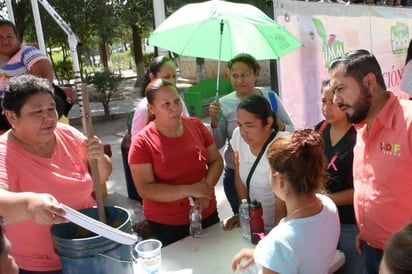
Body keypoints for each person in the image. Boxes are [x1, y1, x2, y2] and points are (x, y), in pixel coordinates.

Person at [0, 75, 112, 273]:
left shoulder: (67, 134)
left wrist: (100, 158)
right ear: (12, 117)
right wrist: (30, 205)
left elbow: (100, 177)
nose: (49, 118)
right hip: (41, 265)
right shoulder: (4, 152)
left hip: (88, 247)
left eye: (51, 108)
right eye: (37, 112)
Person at [329, 49, 412, 274]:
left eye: (340, 89)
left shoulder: (409, 122)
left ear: (369, 82)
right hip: (368, 246)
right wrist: (368, 230)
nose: (336, 100)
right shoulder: (361, 126)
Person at [128, 79, 223, 247]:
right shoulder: (142, 142)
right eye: (166, 104)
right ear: (152, 108)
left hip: (206, 212)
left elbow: (216, 161)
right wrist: (190, 190)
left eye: (177, 101)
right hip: (167, 224)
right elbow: (145, 189)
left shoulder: (196, 125)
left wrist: (205, 190)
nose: (174, 108)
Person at [232, 129, 340, 274]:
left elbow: (289, 251)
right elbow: (306, 255)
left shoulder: (280, 244)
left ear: (280, 180)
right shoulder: (328, 206)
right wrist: (264, 256)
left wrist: (272, 257)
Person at [209, 53, 294, 216]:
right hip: (237, 173)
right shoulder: (222, 104)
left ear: (256, 74)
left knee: (272, 217)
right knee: (246, 220)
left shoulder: (270, 97)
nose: (239, 80)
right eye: (235, 76)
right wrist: (214, 122)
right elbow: (219, 144)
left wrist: (274, 121)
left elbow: (291, 131)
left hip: (269, 171)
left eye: (244, 75)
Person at [315, 79, 364, 274]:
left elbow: (362, 189)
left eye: (332, 102)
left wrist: (328, 199)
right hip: (323, 221)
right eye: (323, 101)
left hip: (350, 224)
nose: (327, 107)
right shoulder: (319, 129)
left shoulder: (359, 137)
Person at [224, 94, 286, 232]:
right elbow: (239, 177)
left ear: (268, 122)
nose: (243, 132)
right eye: (240, 125)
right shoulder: (237, 136)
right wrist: (243, 215)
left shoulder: (282, 146)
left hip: (279, 224)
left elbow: (281, 198)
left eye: (250, 125)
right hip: (254, 223)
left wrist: (276, 233)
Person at [0, 20, 71, 134]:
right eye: (0, 37)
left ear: (17, 37)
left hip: (34, 101)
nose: (5, 41)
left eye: (9, 36)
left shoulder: (28, 53)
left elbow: (44, 81)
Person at [130, 55, 190, 137]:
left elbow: (188, 126)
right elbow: (136, 141)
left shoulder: (179, 100)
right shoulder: (144, 108)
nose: (172, 81)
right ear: (152, 77)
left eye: (174, 76)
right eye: (167, 77)